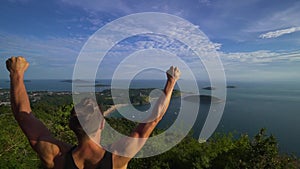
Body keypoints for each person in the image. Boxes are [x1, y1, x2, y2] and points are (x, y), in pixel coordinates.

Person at [6, 56, 181, 169]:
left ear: (73, 126)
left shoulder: (56, 156)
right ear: (102, 124)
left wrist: (16, 74)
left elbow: (23, 116)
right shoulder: (117, 158)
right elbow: (152, 121)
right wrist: (171, 83)